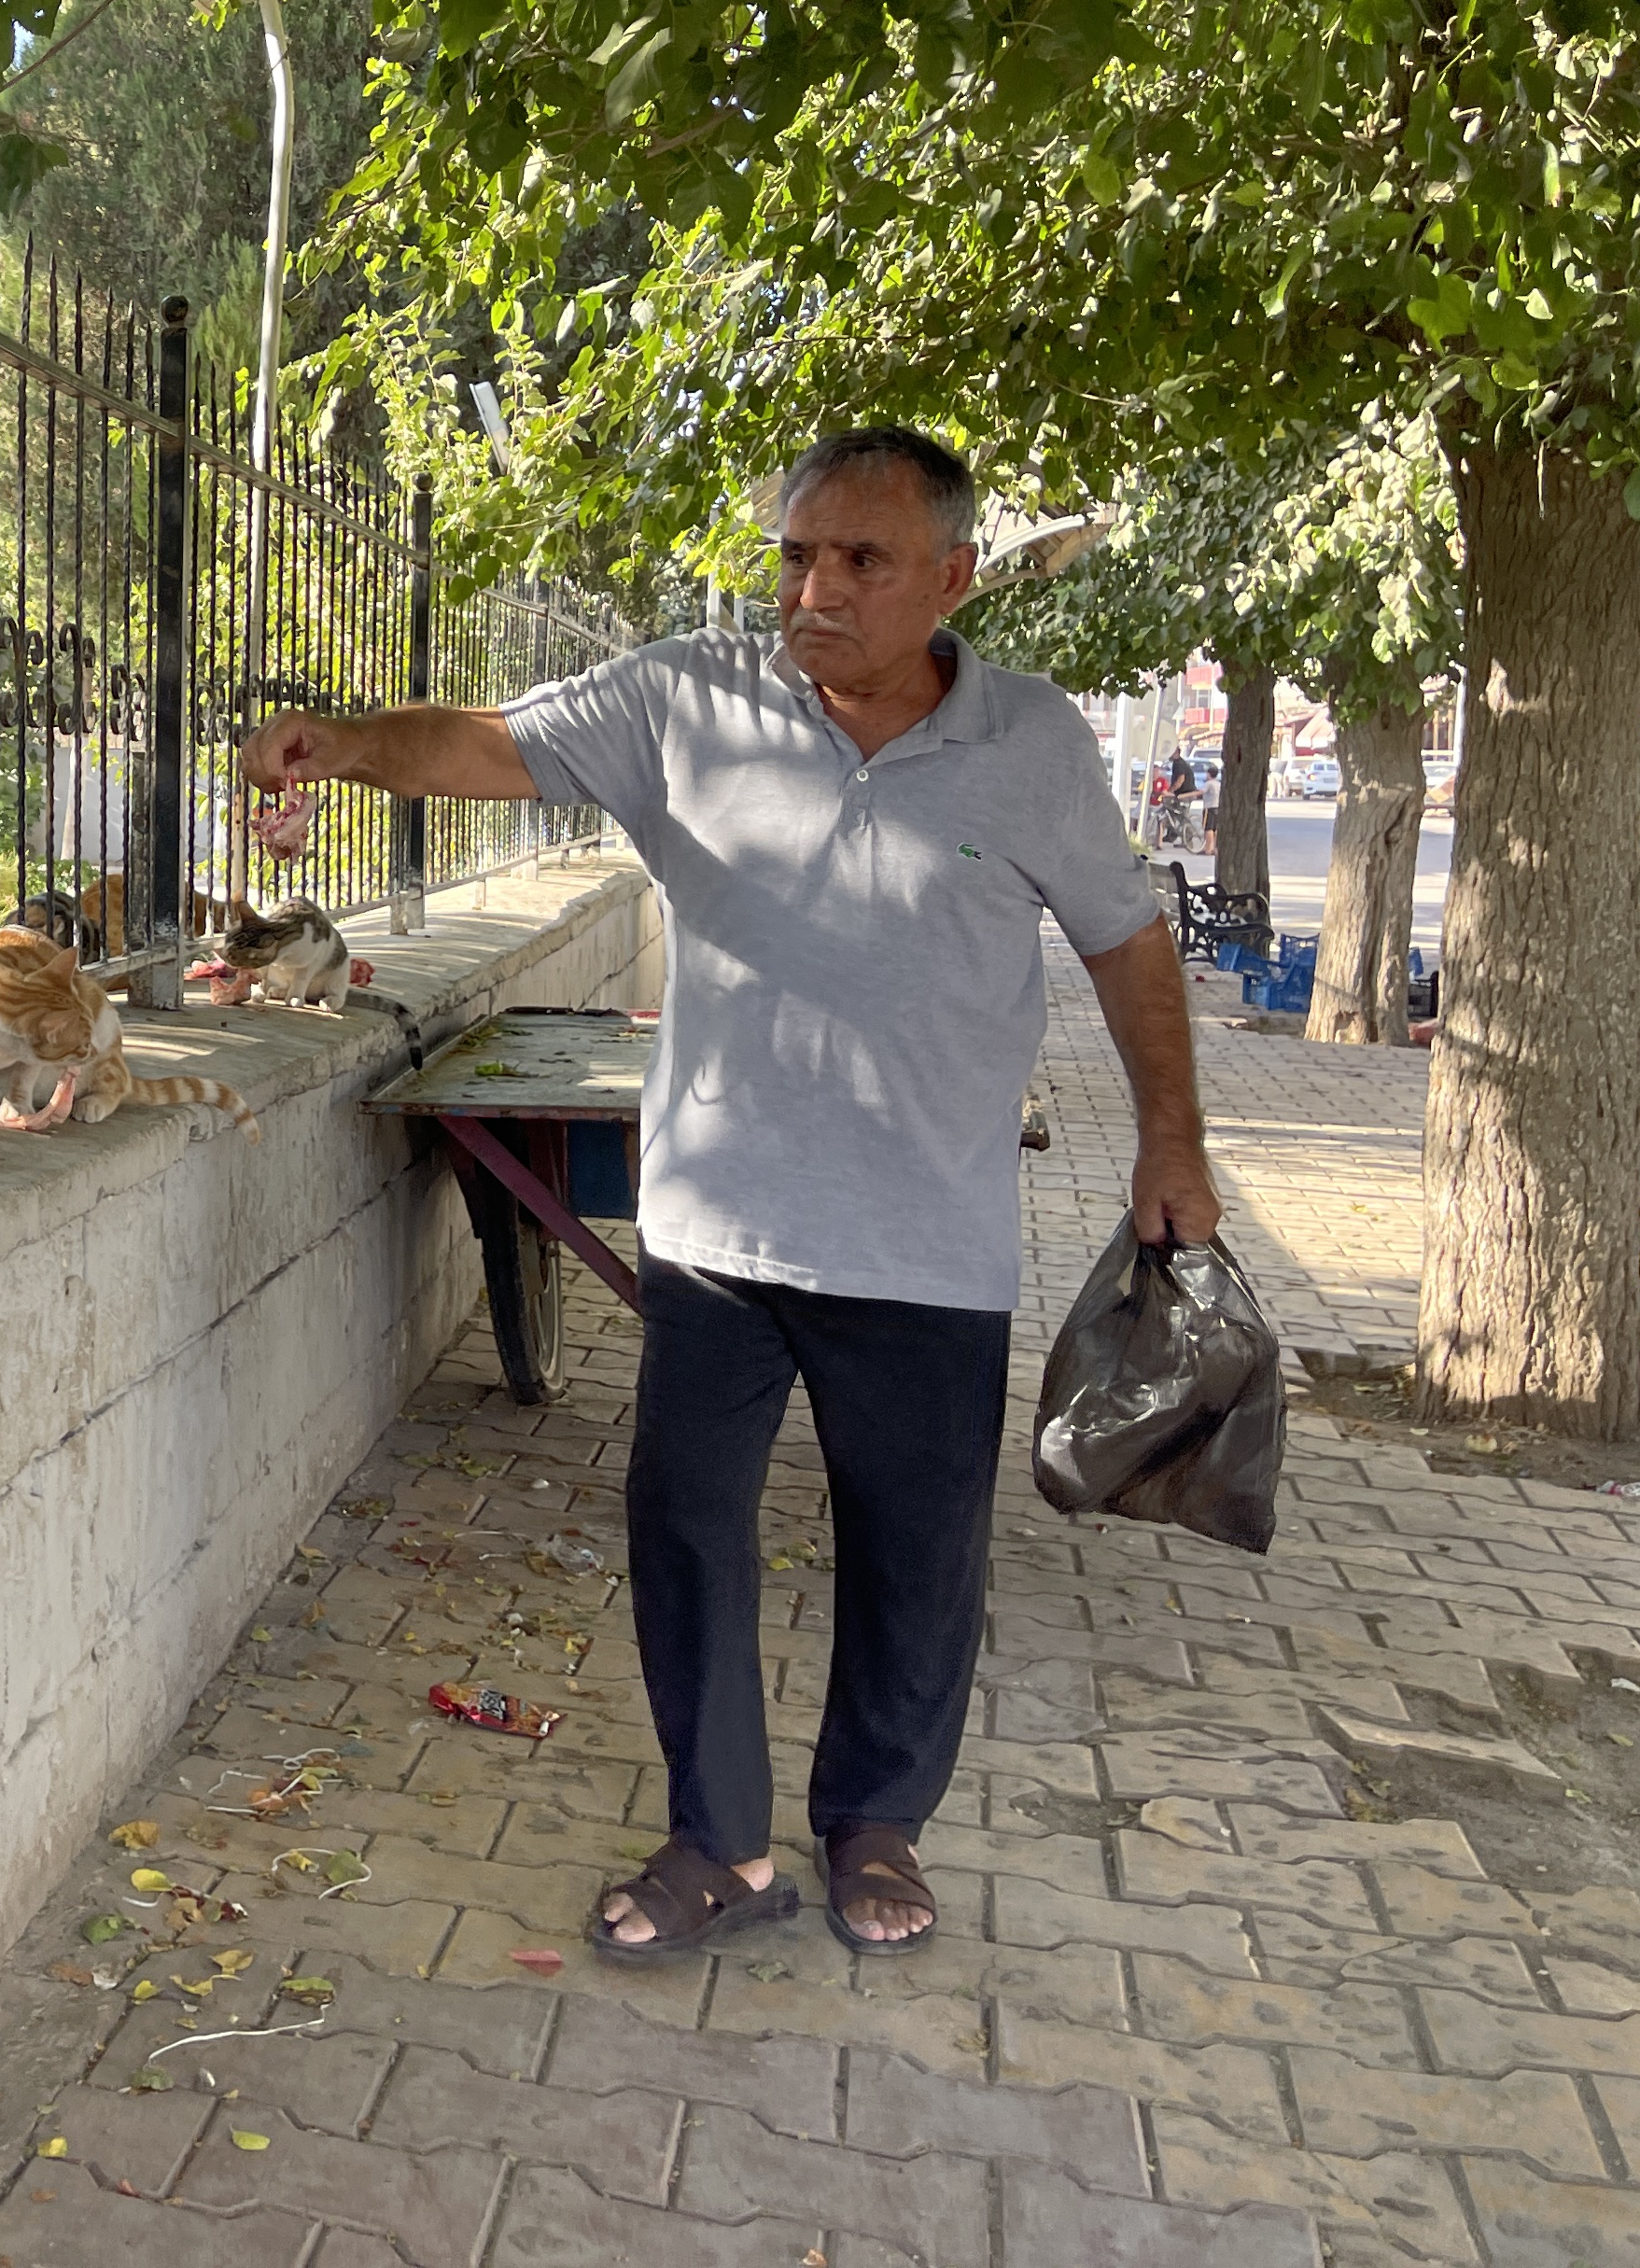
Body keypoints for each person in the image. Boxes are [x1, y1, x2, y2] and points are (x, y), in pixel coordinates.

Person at [240, 426, 1218, 1966]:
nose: (814, 588)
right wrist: (339, 742)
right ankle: (721, 1840)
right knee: (686, 1527)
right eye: (797, 554)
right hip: (719, 1227)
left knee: (915, 1549)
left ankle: (876, 1822)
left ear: (952, 579)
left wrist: (1174, 1141)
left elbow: (1125, 942)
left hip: (926, 1236)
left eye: (862, 560)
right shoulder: (687, 695)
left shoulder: (1034, 746)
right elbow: (489, 744)